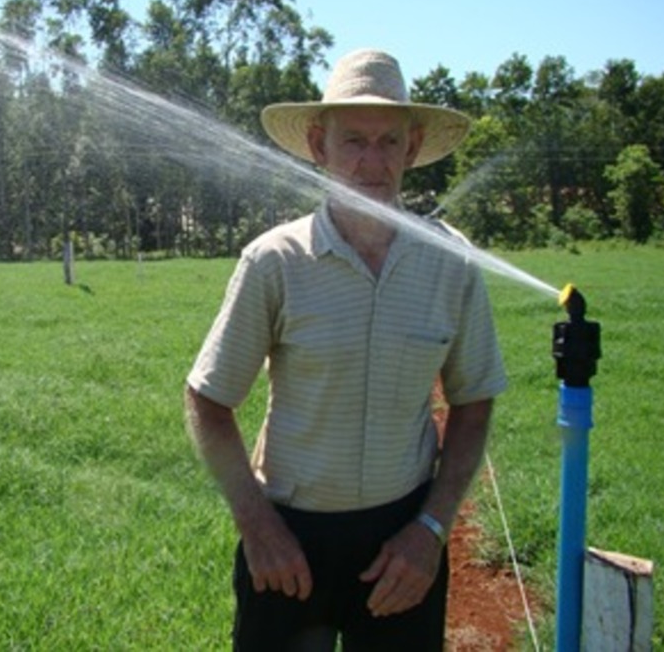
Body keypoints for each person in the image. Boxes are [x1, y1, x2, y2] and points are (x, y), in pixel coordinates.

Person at [184, 49, 507, 650]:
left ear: (412, 149)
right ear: (318, 144)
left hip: (402, 544)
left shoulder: (452, 266)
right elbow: (207, 401)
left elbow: (475, 402)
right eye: (353, 139)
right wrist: (258, 528)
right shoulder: (274, 262)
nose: (371, 161)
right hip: (289, 542)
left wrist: (431, 531)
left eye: (389, 142)